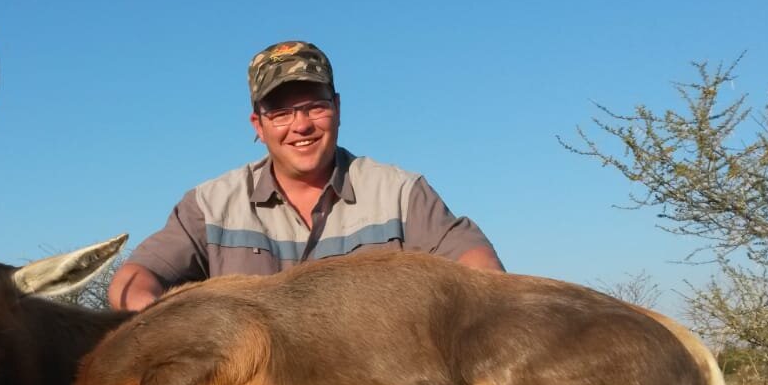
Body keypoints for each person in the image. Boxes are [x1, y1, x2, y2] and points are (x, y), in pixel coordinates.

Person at [108, 40, 503, 311]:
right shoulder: (210, 205)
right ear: (258, 126)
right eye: (280, 113)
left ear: (338, 108)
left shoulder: (399, 192)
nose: (301, 126)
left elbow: (478, 265)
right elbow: (135, 279)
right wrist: (159, 319)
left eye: (315, 107)